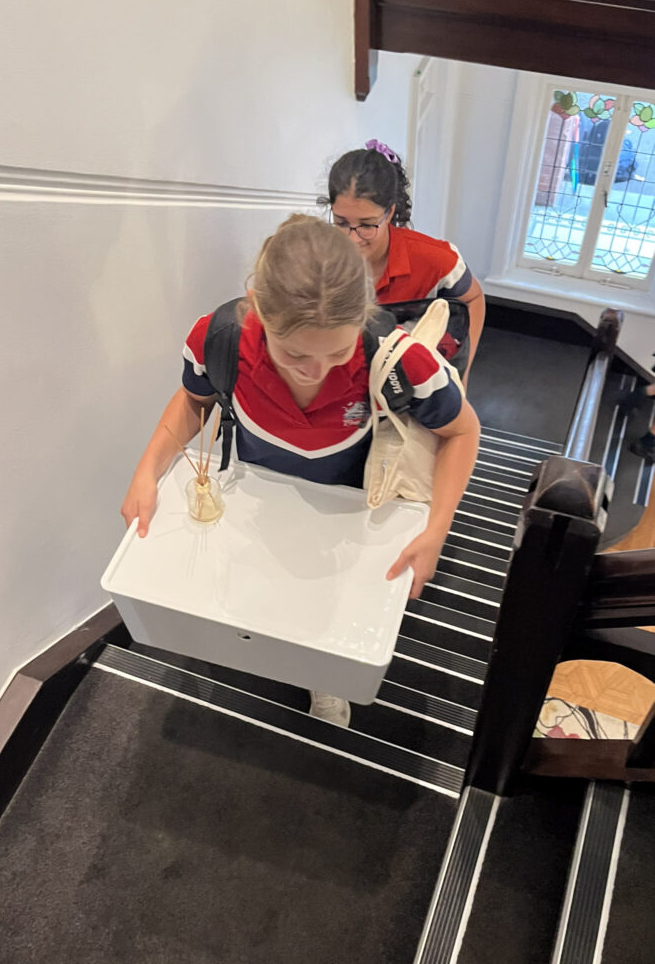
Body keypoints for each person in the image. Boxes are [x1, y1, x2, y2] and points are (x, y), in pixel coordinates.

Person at [121, 215, 480, 726]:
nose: (316, 372)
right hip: (258, 495)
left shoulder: (398, 360)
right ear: (258, 309)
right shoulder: (218, 339)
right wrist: (146, 471)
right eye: (293, 354)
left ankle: (322, 676)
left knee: (324, 606)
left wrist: (437, 530)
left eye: (338, 351)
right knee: (259, 581)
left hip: (347, 514)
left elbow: (462, 431)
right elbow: (193, 401)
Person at [321, 140, 485, 386]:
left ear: (389, 213)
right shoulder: (319, 257)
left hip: (408, 382)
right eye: (341, 222)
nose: (353, 238)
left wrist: (461, 371)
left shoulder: (434, 259)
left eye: (367, 225)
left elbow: (473, 299)